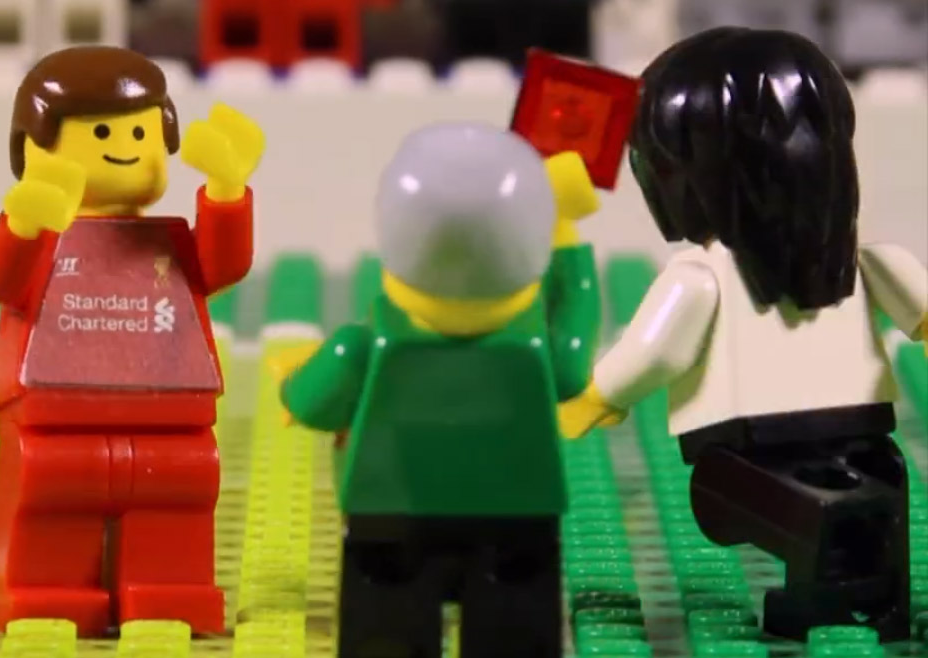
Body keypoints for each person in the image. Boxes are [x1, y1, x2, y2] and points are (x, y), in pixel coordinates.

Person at [559, 27, 927, 641]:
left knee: (733, 496)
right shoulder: (867, 263)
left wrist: (600, 396)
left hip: (744, 448)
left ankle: (832, 593)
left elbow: (654, 352)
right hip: (864, 434)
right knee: (870, 496)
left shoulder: (701, 278)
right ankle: (867, 596)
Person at [275, 122, 602, 658]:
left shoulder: (364, 346)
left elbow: (312, 402)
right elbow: (572, 369)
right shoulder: (537, 350)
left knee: (387, 632)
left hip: (388, 514)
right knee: (513, 634)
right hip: (519, 514)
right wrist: (567, 237)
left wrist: (290, 386)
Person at [0, 45, 265, 636]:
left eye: (141, 132)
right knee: (54, 498)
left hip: (171, 412)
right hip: (55, 413)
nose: (126, 146)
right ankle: (46, 591)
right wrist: (24, 223)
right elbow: (1, 282)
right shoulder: (44, 235)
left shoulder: (164, 241)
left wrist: (227, 192)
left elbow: (221, 265)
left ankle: (168, 590)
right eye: (102, 132)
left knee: (175, 499)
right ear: (33, 148)